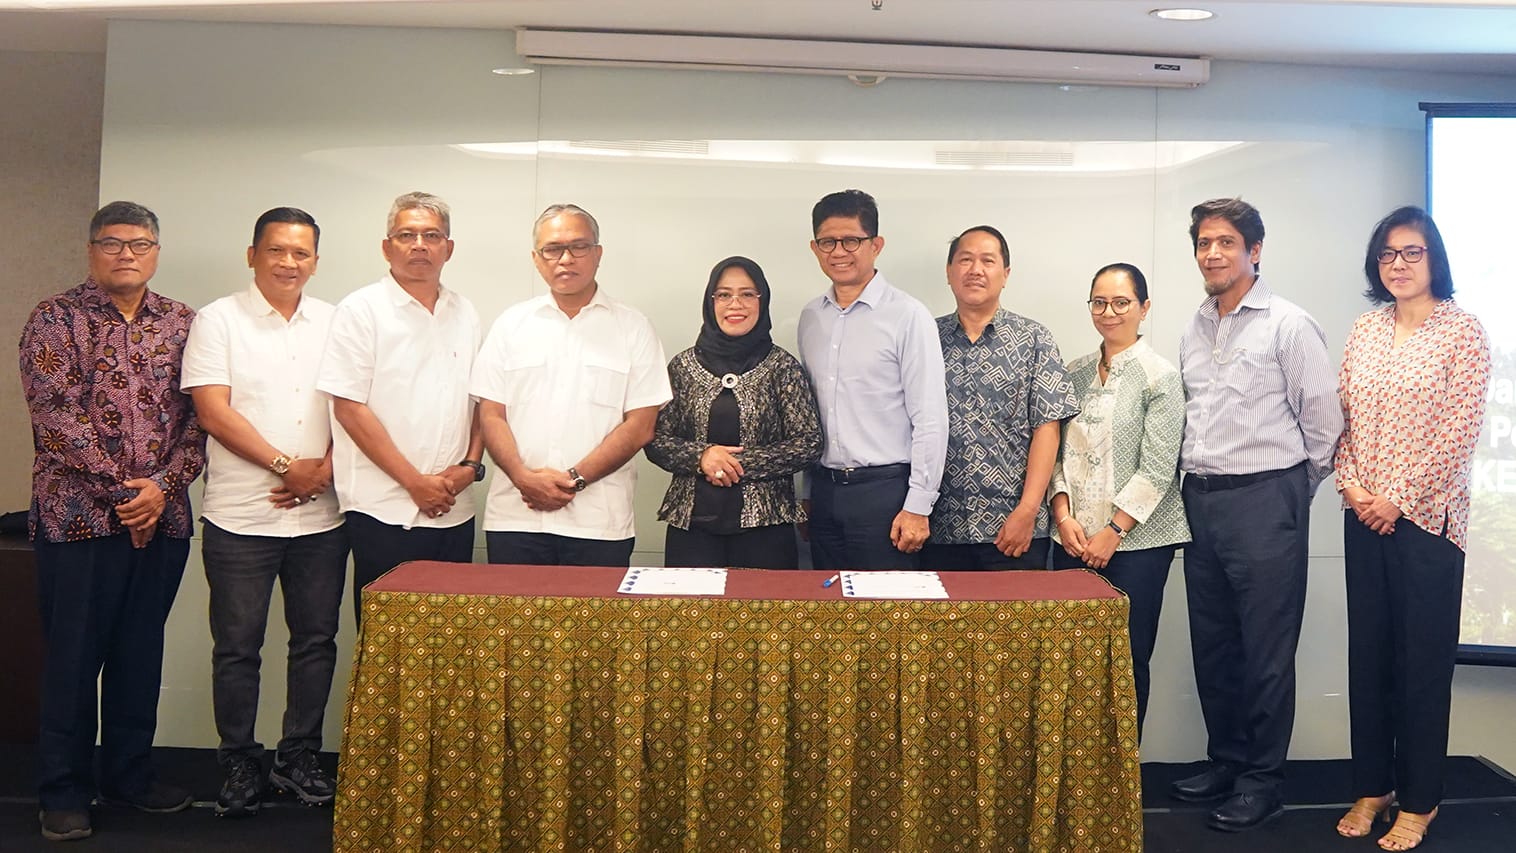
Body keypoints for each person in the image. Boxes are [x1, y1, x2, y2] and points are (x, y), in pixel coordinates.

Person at [19, 201, 205, 842]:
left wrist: (162, 490)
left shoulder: (183, 323)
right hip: (77, 520)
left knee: (139, 653)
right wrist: (129, 496)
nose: (126, 254)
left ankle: (130, 775)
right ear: (91, 250)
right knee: (72, 659)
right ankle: (63, 790)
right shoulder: (55, 318)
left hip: (164, 519)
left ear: (156, 251)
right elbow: (56, 418)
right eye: (112, 242)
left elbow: (199, 421)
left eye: (139, 243)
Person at [1169, 197, 1343, 832]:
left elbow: (1324, 425)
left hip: (1266, 500)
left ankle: (1262, 781)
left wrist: (1290, 491)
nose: (1213, 253)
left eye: (1226, 242)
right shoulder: (1194, 326)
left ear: (1255, 251)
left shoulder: (1288, 325)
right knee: (1214, 646)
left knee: (1266, 651)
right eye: (1204, 243)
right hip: (1201, 500)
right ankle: (1227, 760)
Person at [180, 208, 346, 818]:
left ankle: (298, 756)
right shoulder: (217, 320)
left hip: (322, 516)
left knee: (316, 641)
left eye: (301, 253)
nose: (288, 263)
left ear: (315, 262)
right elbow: (213, 412)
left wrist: (323, 470)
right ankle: (239, 761)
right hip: (240, 518)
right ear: (252, 255)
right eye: (276, 250)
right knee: (237, 647)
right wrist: (285, 466)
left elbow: (356, 405)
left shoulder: (336, 322)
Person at [1332, 207, 1488, 852]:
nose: (1398, 264)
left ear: (1435, 259)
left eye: (1412, 252)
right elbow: (1343, 421)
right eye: (1388, 254)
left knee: (1420, 666)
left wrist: (1396, 499)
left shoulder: (1463, 332)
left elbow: (1459, 432)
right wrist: (1352, 487)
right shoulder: (1364, 330)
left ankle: (1420, 800)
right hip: (1363, 516)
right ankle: (1373, 787)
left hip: (1428, 524)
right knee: (1368, 659)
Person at [472, 204, 671, 567]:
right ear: (536, 259)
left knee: (596, 610)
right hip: (516, 518)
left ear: (598, 253)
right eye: (552, 249)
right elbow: (491, 415)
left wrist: (574, 480)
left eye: (579, 246)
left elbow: (641, 425)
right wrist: (522, 478)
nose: (566, 259)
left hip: (600, 523)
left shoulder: (633, 327)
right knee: (513, 609)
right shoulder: (511, 325)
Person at [317, 191, 483, 622]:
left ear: (449, 248)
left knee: (451, 638)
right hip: (382, 508)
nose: (419, 245)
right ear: (386, 247)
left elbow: (480, 401)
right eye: (407, 235)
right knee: (385, 638)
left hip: (453, 506)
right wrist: (414, 482)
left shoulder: (465, 312)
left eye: (432, 236)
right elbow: (349, 408)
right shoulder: (360, 310)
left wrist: (469, 466)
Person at [1049, 262, 1189, 735]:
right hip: (1071, 540)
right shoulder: (1072, 373)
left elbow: (1159, 467)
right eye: (1099, 302)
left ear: (1144, 308)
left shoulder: (1160, 377)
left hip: (1137, 546)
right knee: (1070, 661)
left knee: (1126, 660)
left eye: (1121, 302)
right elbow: (1054, 455)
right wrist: (1063, 515)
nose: (1109, 312)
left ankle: (1122, 772)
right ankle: (1073, 770)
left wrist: (1113, 531)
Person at [797, 189, 947, 570]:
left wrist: (918, 505)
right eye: (828, 242)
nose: (839, 252)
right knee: (827, 604)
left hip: (886, 495)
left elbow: (930, 417)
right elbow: (811, 416)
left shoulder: (908, 315)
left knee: (886, 606)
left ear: (876, 245)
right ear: (815, 248)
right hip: (825, 493)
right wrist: (808, 493)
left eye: (851, 240)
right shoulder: (811, 318)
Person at [646, 256, 822, 568]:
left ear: (762, 301)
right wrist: (702, 457)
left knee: (764, 602)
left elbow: (808, 443)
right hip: (692, 527)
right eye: (724, 294)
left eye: (747, 294)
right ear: (710, 301)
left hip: (766, 529)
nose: (735, 304)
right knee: (690, 601)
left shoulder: (782, 367)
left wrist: (733, 464)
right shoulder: (683, 367)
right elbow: (655, 439)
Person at [925, 225, 1078, 570]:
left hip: (1013, 529)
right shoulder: (925, 337)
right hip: (939, 528)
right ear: (949, 272)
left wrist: (1027, 510)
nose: (975, 270)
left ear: (1005, 274)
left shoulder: (1034, 338)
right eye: (965, 260)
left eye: (987, 261)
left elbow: (1047, 429)